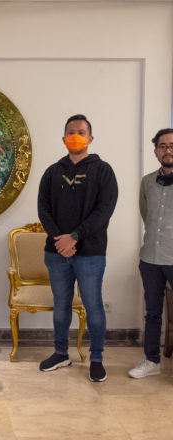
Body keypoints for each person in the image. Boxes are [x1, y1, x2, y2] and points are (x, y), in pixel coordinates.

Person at [38, 114, 118, 382]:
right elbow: (43, 209)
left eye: (81, 132)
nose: (76, 136)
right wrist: (60, 240)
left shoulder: (103, 171)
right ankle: (61, 353)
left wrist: (74, 237)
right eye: (71, 132)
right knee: (61, 305)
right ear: (63, 139)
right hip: (56, 253)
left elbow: (104, 211)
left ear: (90, 137)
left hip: (91, 253)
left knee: (93, 306)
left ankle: (96, 359)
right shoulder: (52, 172)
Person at [128, 128, 173, 379]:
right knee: (153, 313)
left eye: (172, 145)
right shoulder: (147, 182)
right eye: (163, 146)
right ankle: (151, 361)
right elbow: (147, 216)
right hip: (151, 258)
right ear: (156, 151)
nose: (168, 150)